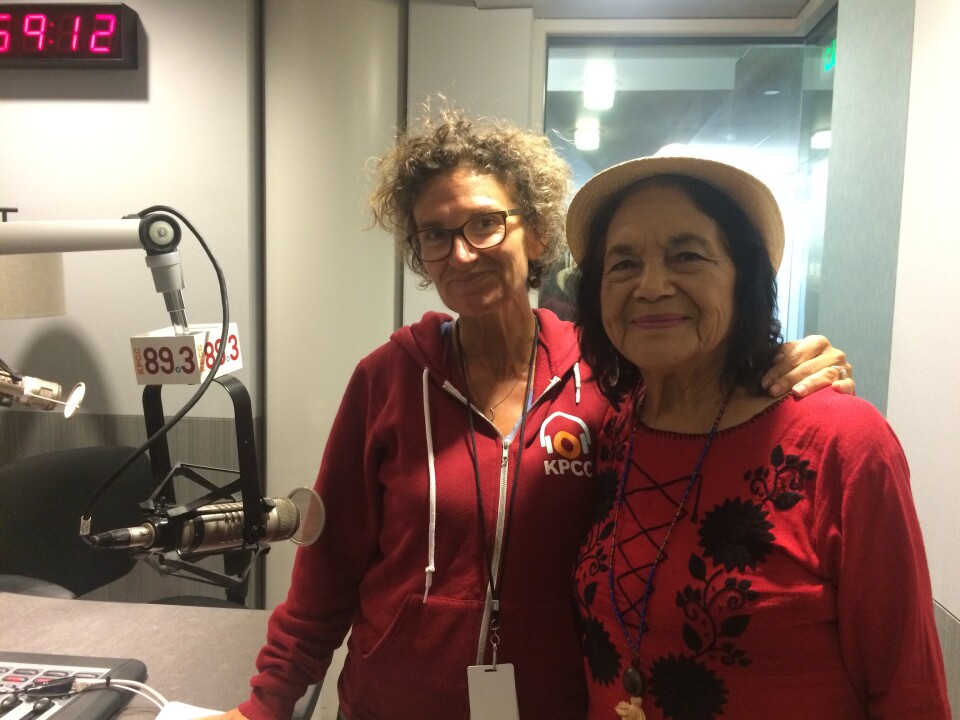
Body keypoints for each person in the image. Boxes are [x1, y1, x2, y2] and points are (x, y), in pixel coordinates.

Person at [206, 108, 854, 720]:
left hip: (554, 705)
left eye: (485, 223)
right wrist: (266, 704)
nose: (462, 253)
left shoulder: (611, 376)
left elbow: (701, 404)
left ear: (537, 231)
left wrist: (778, 368)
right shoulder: (389, 379)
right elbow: (326, 573)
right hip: (390, 704)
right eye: (435, 234)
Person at [567, 154, 950, 720]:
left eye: (687, 255)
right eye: (623, 264)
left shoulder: (842, 442)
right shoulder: (611, 430)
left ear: (744, 277)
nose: (650, 286)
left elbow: (908, 689)